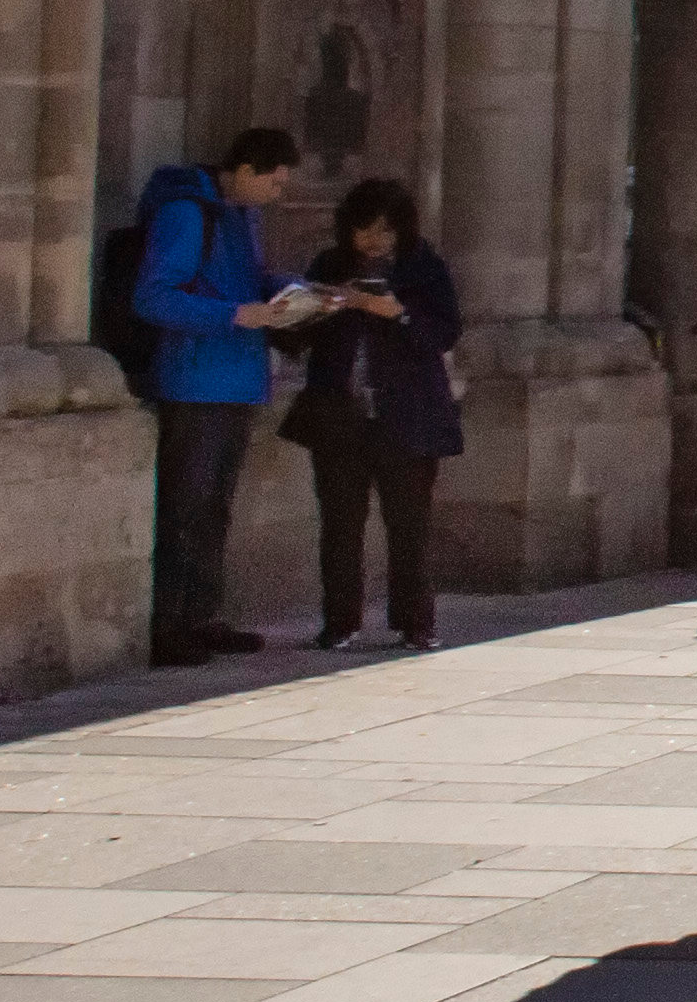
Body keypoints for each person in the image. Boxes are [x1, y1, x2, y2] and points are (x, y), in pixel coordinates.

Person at [120, 125, 318, 660]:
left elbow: (243, 282)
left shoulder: (242, 218)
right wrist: (234, 314)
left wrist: (298, 295)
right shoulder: (187, 213)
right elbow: (155, 296)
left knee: (215, 509)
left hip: (238, 380)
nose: (278, 195)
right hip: (195, 381)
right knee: (186, 508)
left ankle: (203, 617)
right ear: (246, 171)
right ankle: (169, 626)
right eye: (274, 184)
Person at [274, 176, 468, 655]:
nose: (375, 240)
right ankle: (340, 622)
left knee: (409, 526)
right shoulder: (330, 264)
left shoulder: (423, 268)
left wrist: (395, 312)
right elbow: (296, 337)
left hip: (407, 417)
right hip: (340, 414)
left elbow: (442, 334)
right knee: (340, 524)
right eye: (364, 230)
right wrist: (310, 308)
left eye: (385, 230)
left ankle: (415, 623)